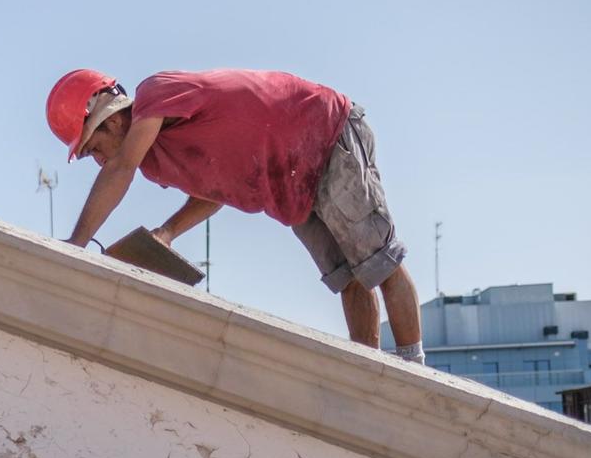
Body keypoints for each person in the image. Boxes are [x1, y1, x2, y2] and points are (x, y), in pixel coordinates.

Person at [47, 67, 424, 360]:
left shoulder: (156, 93)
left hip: (323, 132)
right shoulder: (157, 162)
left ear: (111, 121)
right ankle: (372, 374)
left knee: (380, 262)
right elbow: (216, 191)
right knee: (349, 279)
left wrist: (75, 245)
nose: (99, 162)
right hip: (290, 181)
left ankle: (414, 373)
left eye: (94, 149)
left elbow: (119, 168)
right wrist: (167, 232)